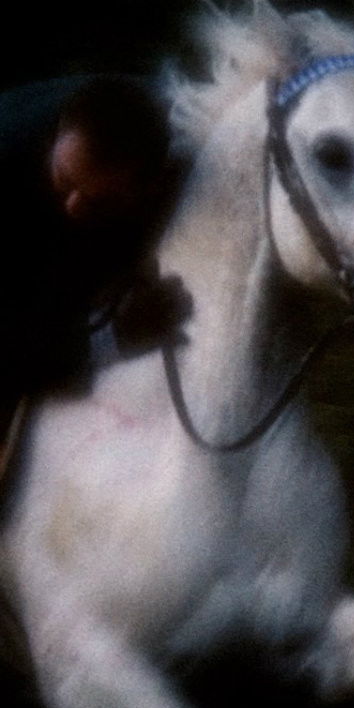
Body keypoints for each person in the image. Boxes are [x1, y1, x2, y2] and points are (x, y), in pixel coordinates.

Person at [0, 74, 186, 451]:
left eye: (100, 202)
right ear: (57, 133)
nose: (73, 206)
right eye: (64, 179)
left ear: (147, 188)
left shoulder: (156, 147)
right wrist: (107, 341)